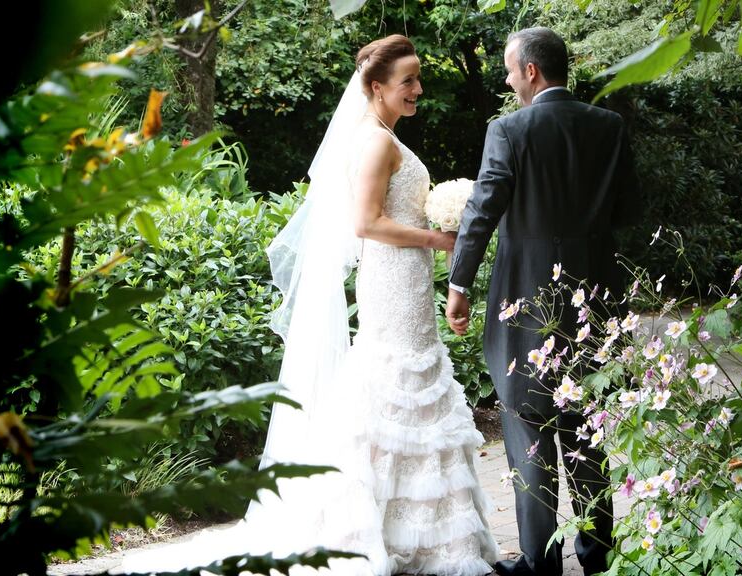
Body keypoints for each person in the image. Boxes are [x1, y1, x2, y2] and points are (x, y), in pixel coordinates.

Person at [116, 34, 497, 576]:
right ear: (376, 87)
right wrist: (438, 239)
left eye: (417, 78)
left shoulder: (381, 135)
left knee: (407, 387)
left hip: (401, 279)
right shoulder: (375, 142)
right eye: (408, 80)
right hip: (392, 282)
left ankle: (419, 533)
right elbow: (366, 223)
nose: (417, 89)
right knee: (396, 388)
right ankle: (375, 531)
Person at [445, 27, 638, 576]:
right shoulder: (610, 126)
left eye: (509, 70)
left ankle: (539, 562)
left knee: (527, 425)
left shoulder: (508, 130)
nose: (507, 80)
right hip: (597, 297)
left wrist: (458, 285)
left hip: (524, 297)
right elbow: (628, 208)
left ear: (531, 71)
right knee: (588, 424)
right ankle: (600, 555)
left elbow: (482, 211)